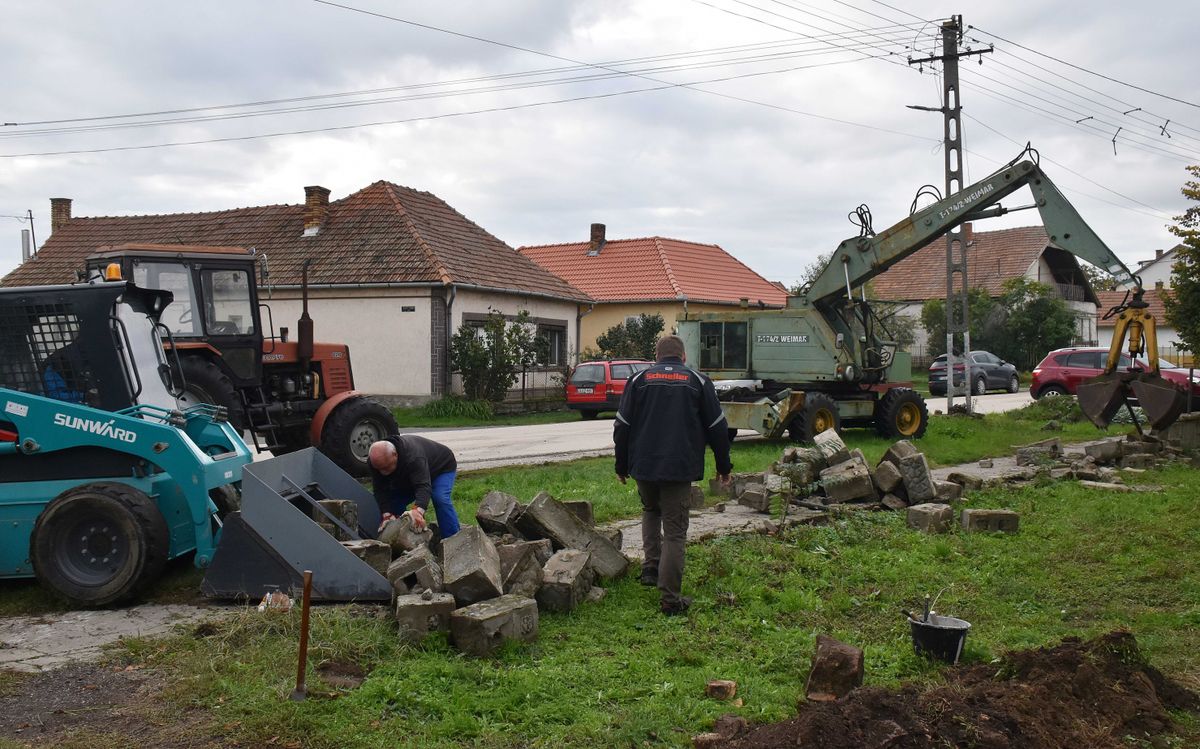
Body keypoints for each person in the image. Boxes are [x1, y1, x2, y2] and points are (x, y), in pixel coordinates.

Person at [614, 335, 732, 616]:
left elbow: (622, 427)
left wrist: (621, 466)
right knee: (676, 532)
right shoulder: (698, 381)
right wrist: (724, 466)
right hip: (679, 468)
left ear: (656, 356)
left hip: (643, 466)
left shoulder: (637, 381)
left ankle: (651, 569)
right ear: (683, 358)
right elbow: (718, 428)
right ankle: (670, 600)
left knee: (651, 511)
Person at [368, 435, 461, 537]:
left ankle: (453, 540)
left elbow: (423, 486)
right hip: (412, 475)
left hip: (441, 467)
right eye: (380, 469)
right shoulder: (376, 461)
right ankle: (404, 542)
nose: (383, 472)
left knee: (440, 498)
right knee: (393, 504)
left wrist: (418, 510)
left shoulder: (413, 456)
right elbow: (380, 490)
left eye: (386, 467)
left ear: (395, 454)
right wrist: (386, 514)